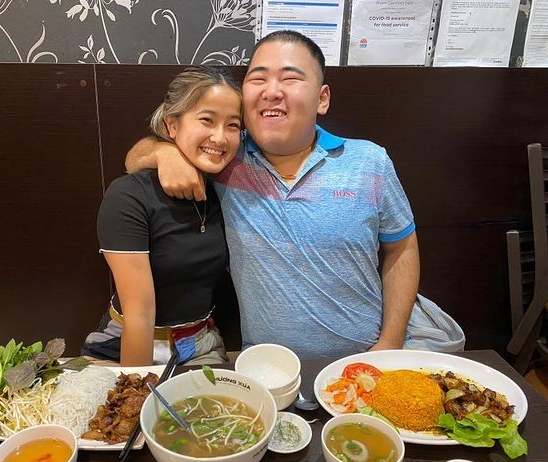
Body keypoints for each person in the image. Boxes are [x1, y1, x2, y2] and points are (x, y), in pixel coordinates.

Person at [125, 31, 464, 358]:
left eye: (290, 79)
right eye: (258, 79)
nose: (272, 91)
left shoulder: (369, 162)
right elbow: (136, 156)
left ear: (322, 98)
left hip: (365, 361)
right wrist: (164, 154)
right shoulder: (226, 157)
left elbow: (402, 247)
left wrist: (388, 345)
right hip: (268, 369)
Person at [83, 66, 243, 366]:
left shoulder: (227, 186)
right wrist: (136, 396)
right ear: (172, 125)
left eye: (233, 125)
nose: (220, 138)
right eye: (207, 120)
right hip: (123, 343)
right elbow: (139, 317)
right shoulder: (129, 196)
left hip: (201, 343)